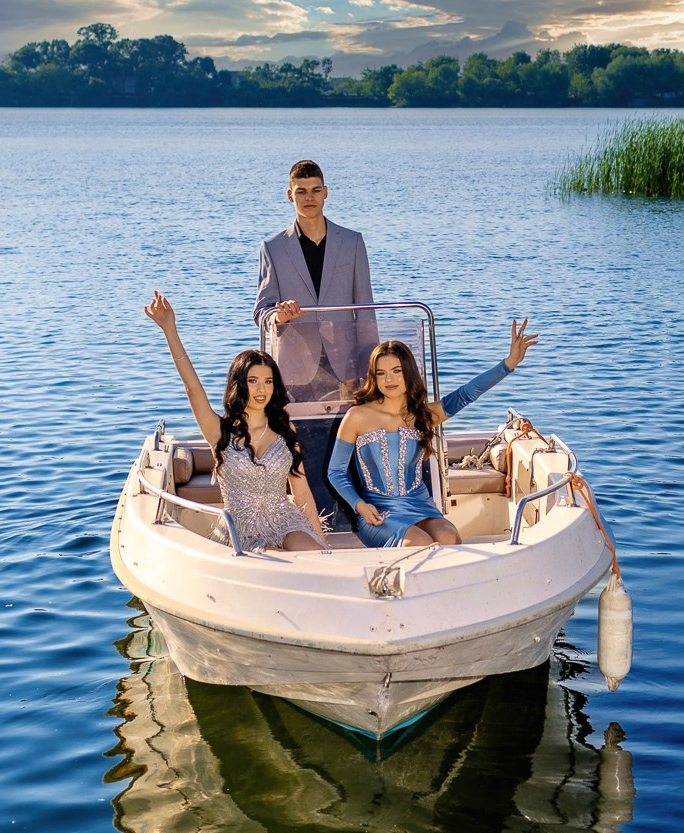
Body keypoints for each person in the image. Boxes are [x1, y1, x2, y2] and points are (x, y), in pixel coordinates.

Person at [145, 291, 329, 553]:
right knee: (272, 559)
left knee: (315, 555)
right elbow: (193, 389)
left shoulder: (285, 430)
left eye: (268, 381)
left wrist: (323, 545)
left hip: (285, 522)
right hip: (240, 530)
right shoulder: (218, 431)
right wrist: (169, 330)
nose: (261, 389)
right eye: (253, 381)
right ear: (239, 385)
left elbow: (301, 492)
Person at [328, 321, 539, 549]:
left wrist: (508, 364)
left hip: (420, 506)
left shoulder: (424, 415)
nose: (389, 380)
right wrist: (359, 505)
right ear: (374, 377)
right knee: (418, 544)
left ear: (409, 373)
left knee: (449, 537)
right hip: (378, 511)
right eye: (381, 373)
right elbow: (336, 471)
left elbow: (467, 394)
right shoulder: (357, 416)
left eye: (396, 371)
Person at [254, 158, 377, 527]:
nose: (309, 198)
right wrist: (279, 316)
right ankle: (312, 523)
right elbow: (261, 311)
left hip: (345, 365)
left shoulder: (352, 242)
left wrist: (367, 368)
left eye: (316, 190)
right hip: (296, 366)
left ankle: (350, 520)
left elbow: (365, 309)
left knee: (347, 443)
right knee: (304, 446)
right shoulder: (273, 247)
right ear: (289, 195)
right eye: (301, 192)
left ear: (326, 193)